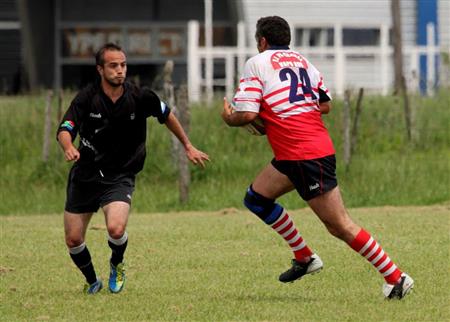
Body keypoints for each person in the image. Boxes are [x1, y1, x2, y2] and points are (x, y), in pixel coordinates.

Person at [221, 16, 413, 299]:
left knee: (339, 225)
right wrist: (280, 112)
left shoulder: (257, 62)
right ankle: (304, 257)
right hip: (295, 152)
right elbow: (325, 105)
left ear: (262, 41)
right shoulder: (303, 62)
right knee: (257, 198)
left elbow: (246, 114)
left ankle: (396, 277)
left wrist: (228, 118)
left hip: (305, 155)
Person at [57, 43, 209, 294]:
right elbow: (65, 128)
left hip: (120, 174)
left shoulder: (141, 96)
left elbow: (167, 114)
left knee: (116, 228)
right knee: (73, 239)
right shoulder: (87, 97)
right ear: (100, 69)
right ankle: (93, 280)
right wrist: (67, 147)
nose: (120, 70)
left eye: (123, 65)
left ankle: (117, 263)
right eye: (113, 66)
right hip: (85, 175)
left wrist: (188, 145)